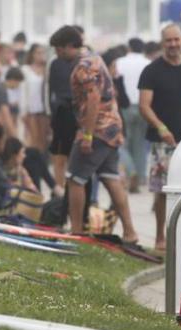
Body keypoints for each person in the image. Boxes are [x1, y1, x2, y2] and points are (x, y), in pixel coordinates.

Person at [51, 26, 139, 243]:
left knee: (74, 179)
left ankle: (77, 231)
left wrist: (87, 135)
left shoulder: (83, 67)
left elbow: (93, 99)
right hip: (112, 127)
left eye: (59, 49)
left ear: (70, 46)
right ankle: (130, 232)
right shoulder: (96, 59)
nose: (57, 54)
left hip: (96, 130)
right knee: (111, 178)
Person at [138, 23, 181, 250]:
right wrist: (161, 128)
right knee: (160, 191)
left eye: (177, 40)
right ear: (162, 42)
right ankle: (160, 236)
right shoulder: (152, 70)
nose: (173, 44)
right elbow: (144, 106)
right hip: (162, 141)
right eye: (169, 40)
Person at [46, 27, 80, 191]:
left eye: (59, 49)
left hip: (76, 115)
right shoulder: (55, 63)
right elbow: (50, 90)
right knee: (60, 156)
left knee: (75, 158)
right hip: (61, 114)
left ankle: (71, 190)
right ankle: (60, 190)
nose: (57, 53)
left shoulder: (85, 62)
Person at [116, 38, 151, 194]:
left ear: (129, 48)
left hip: (124, 107)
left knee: (122, 144)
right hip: (143, 106)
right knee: (140, 144)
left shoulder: (119, 62)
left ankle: (131, 172)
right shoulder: (148, 63)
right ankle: (140, 176)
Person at [21, 44, 50, 152]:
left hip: (45, 109)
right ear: (32, 54)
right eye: (38, 53)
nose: (41, 55)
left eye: (43, 52)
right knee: (33, 139)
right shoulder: (25, 70)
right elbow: (23, 91)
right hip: (31, 109)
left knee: (44, 139)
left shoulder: (48, 69)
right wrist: (23, 110)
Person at [0, 68, 24, 139]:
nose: (18, 86)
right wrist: (16, 139)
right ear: (12, 80)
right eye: (18, 83)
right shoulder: (1, 90)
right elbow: (6, 117)